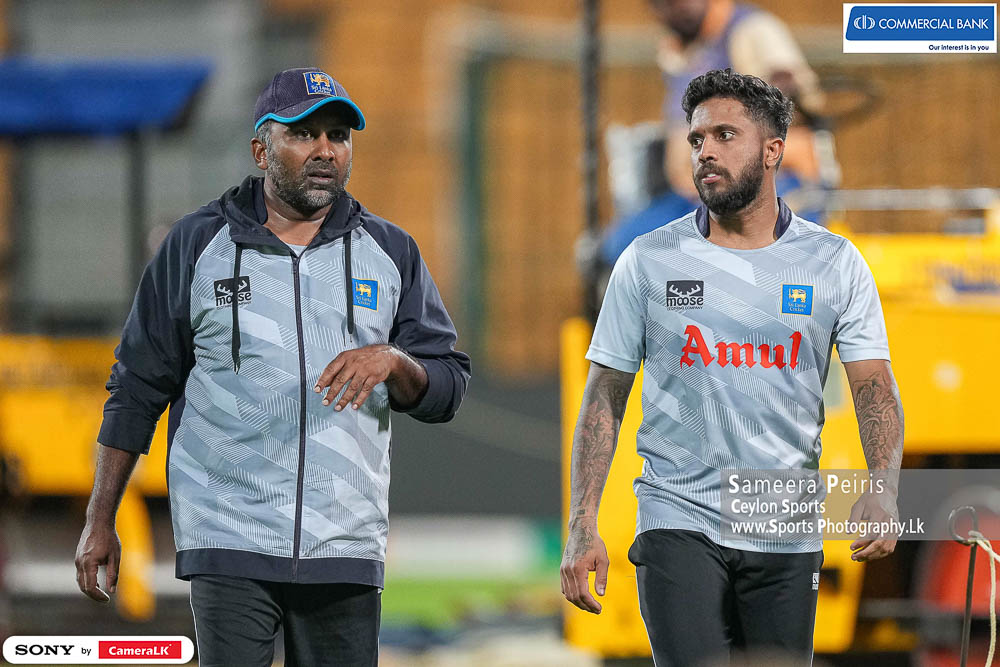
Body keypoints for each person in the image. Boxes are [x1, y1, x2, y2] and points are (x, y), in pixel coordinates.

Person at [74, 67, 471, 667]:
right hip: (227, 537)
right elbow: (136, 389)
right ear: (262, 151)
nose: (325, 150)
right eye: (304, 134)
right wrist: (99, 519)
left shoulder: (391, 252)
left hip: (344, 545)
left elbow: (448, 385)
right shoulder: (194, 246)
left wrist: (394, 362)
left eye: (338, 136)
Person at [561, 69, 903, 665]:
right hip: (677, 516)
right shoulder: (648, 261)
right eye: (697, 139)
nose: (706, 152)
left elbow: (873, 385)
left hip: (783, 520)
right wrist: (582, 521)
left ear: (773, 151)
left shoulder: (834, 262)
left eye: (725, 135)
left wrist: (884, 487)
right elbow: (603, 395)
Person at [600, 0, 831, 264]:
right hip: (696, 195)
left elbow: (801, 109)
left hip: (764, 188)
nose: (668, 13)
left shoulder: (751, 31)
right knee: (622, 246)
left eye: (675, 3)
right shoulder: (683, 48)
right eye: (659, 6)